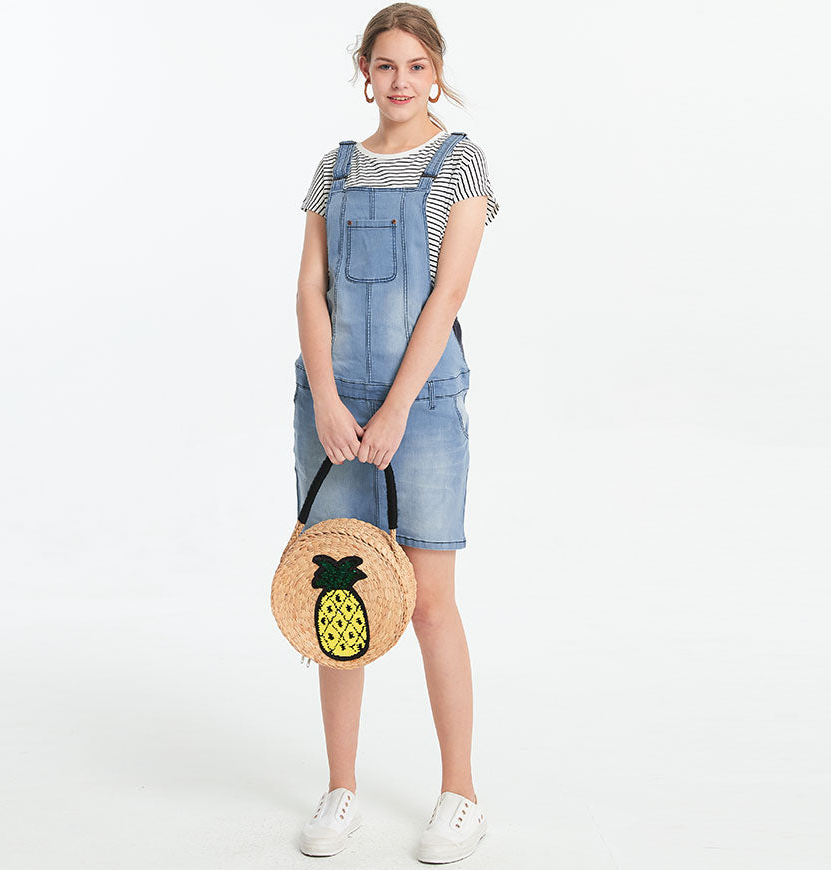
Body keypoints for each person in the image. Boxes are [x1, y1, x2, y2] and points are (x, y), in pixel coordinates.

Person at [291, 4, 499, 864]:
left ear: (436, 74)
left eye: (416, 66)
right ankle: (340, 788)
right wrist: (327, 401)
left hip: (424, 408)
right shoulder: (333, 170)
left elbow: (448, 296)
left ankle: (461, 795)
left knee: (431, 604)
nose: (401, 80)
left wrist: (397, 407)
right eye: (386, 65)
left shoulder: (461, 164)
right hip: (334, 411)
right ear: (365, 73)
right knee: (341, 595)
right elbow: (309, 292)